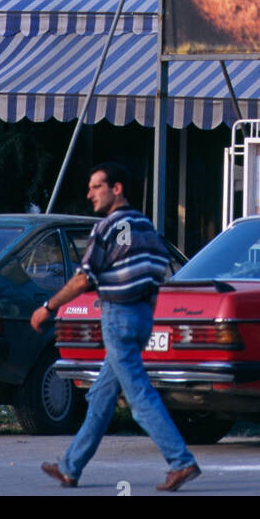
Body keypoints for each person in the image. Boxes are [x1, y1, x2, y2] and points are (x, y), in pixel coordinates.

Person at [34, 162, 200, 493]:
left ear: (117, 188)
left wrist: (48, 307)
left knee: (139, 397)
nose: (89, 194)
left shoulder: (108, 227)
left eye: (97, 186)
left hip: (118, 317)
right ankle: (70, 467)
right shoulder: (146, 227)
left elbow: (84, 278)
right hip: (141, 318)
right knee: (101, 396)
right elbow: (158, 275)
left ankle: (181, 462)